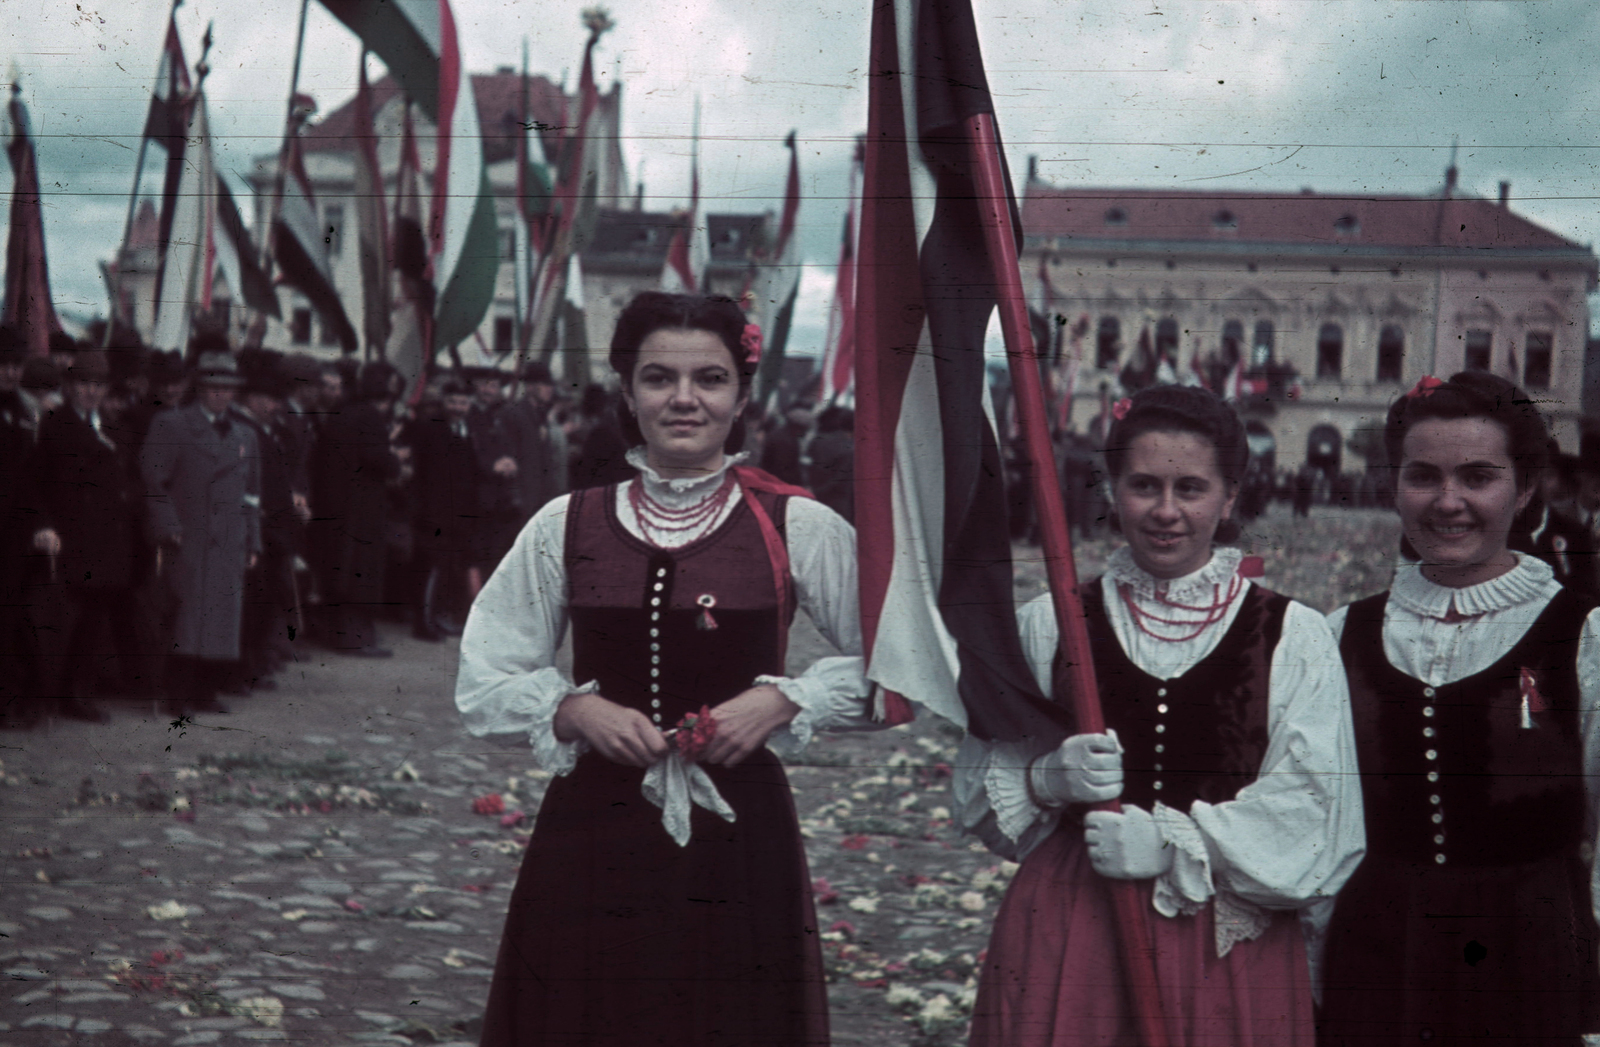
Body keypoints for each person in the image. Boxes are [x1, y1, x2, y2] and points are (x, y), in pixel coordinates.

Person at [456, 292, 872, 1045]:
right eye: (659, 377)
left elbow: (894, 666)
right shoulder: (567, 522)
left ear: (742, 395)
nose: (684, 398)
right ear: (627, 390)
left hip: (738, 836)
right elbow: (485, 674)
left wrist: (782, 701)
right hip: (590, 833)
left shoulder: (793, 524)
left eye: (709, 379)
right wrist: (572, 710)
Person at [958, 384, 1363, 1046]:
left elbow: (1321, 817)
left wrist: (1177, 842)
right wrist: (1045, 778)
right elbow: (975, 789)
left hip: (1224, 942)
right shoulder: (1051, 623)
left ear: (1230, 495)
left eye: (1191, 488)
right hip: (1070, 928)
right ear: (1113, 490)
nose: (1166, 510)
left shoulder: (1293, 633)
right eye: (1144, 485)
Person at [1318, 372, 1600, 1045]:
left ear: (1525, 487)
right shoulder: (1339, 634)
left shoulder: (1583, 635)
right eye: (1423, 476)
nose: (1448, 502)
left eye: (1478, 477)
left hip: (1532, 957)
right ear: (1394, 485)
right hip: (1379, 956)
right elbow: (1319, 823)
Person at [139, 350, 261, 714]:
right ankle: (176, 694)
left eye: (228, 389)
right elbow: (152, 479)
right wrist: (168, 525)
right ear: (200, 389)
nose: (221, 395)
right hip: (189, 538)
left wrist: (252, 539)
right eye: (213, 388)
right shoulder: (172, 425)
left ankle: (205, 692)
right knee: (186, 619)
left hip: (228, 541)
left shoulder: (246, 435)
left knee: (221, 620)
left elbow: (252, 495)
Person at [28, 349, 145, 721]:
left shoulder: (113, 429)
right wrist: (43, 524)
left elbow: (128, 480)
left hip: (107, 542)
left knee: (94, 620)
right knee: (65, 621)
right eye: (84, 385)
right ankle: (58, 694)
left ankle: (78, 690)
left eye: (97, 385)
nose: (91, 392)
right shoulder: (54, 426)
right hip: (70, 537)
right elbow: (36, 482)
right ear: (70, 387)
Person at [310, 362, 401, 656]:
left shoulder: (341, 412)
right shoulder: (370, 416)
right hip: (361, 508)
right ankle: (355, 637)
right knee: (359, 573)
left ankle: (340, 634)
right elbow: (378, 459)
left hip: (335, 503)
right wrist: (397, 461)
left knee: (339, 570)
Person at [407, 379, 483, 640]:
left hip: (458, 514)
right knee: (429, 569)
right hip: (434, 513)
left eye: (463, 403)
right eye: (453, 402)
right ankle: (424, 623)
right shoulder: (431, 429)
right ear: (444, 401)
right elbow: (427, 475)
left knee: (447, 570)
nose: (458, 407)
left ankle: (437, 617)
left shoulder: (466, 429)